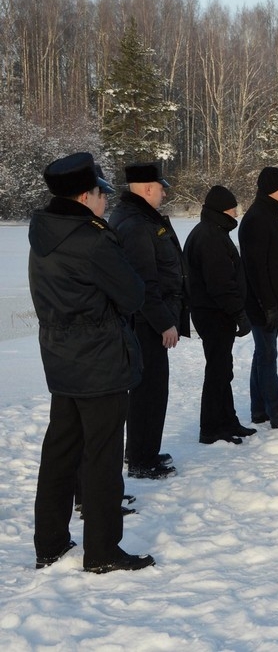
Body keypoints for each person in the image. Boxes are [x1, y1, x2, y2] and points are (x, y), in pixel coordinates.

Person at [30, 152, 155, 573]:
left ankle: (49, 543)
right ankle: (102, 551)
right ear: (85, 195)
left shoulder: (44, 232)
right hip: (99, 361)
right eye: (102, 192)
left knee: (60, 451)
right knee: (102, 458)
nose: (106, 200)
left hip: (61, 358)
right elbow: (132, 296)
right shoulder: (92, 239)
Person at [109, 162, 188, 480]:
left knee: (151, 391)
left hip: (147, 321)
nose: (165, 191)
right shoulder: (136, 224)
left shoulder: (138, 218)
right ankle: (142, 458)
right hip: (146, 324)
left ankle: (143, 451)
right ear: (146, 188)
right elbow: (144, 282)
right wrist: (164, 323)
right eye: (161, 186)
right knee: (149, 392)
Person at [183, 186, 263, 443]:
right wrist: (238, 312)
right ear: (221, 210)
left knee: (222, 368)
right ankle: (211, 427)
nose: (236, 213)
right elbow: (220, 282)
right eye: (232, 209)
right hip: (213, 314)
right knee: (217, 370)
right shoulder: (210, 237)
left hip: (215, 312)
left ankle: (227, 420)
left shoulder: (213, 232)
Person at [239, 167, 278, 428]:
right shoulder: (257, 219)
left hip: (267, 302)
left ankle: (259, 409)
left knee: (263, 354)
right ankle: (275, 411)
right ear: (272, 189)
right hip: (262, 303)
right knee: (267, 355)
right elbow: (256, 269)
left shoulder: (267, 214)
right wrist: (269, 305)